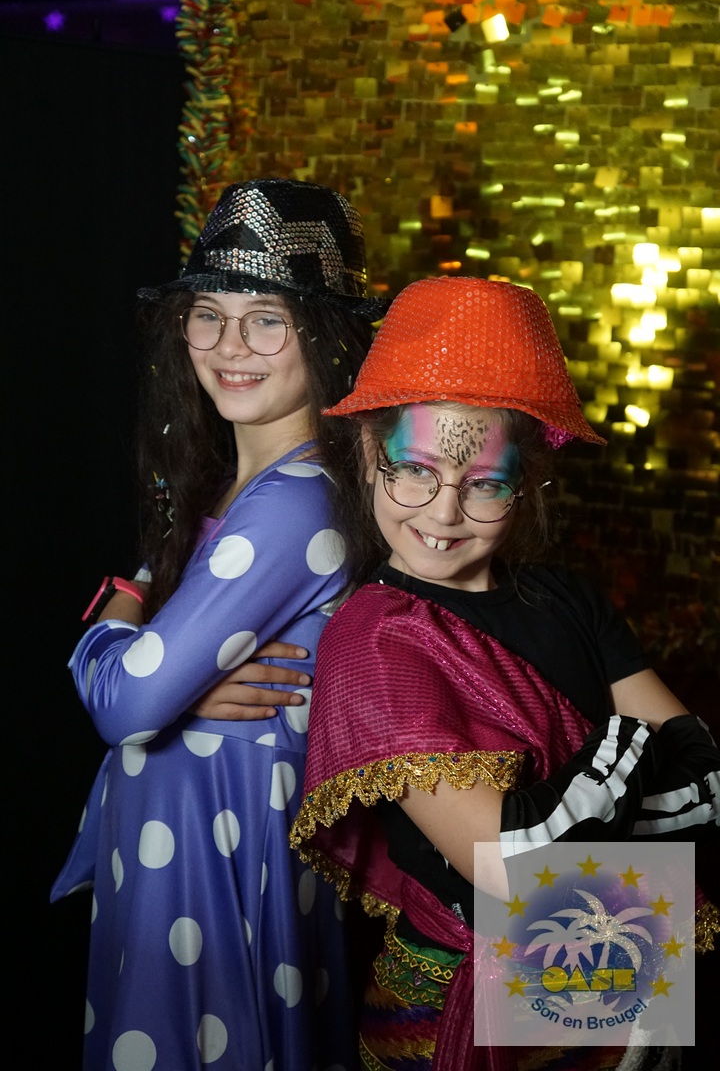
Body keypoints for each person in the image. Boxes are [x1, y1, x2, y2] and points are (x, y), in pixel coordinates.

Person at [286, 277, 720, 1071]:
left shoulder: (570, 600)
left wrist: (591, 807)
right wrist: (632, 790)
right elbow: (510, 863)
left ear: (528, 481)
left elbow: (708, 781)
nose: (442, 512)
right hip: (455, 1008)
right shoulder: (375, 638)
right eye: (414, 470)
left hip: (628, 980)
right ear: (370, 453)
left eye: (485, 483)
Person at [50, 177, 390, 1071]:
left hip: (217, 851)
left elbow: (123, 702)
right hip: (178, 843)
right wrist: (177, 679)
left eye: (266, 319)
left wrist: (122, 623)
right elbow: (154, 686)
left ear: (327, 337)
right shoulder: (233, 489)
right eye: (209, 315)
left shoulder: (295, 499)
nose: (230, 347)